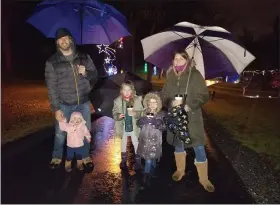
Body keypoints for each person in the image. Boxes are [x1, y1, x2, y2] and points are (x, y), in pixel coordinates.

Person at [161, 50, 215, 192]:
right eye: (175, 58)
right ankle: (180, 170)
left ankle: (204, 178)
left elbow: (204, 95)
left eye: (180, 58)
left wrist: (189, 105)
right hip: (176, 116)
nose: (177, 61)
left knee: (198, 146)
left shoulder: (195, 75)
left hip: (192, 118)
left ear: (186, 60)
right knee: (178, 143)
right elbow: (164, 95)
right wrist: (169, 102)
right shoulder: (170, 76)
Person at [45, 28, 98, 170]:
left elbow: (95, 76)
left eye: (66, 38)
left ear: (71, 39)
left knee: (85, 129)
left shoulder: (84, 57)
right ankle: (56, 157)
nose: (63, 41)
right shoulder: (52, 62)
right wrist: (56, 108)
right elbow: (52, 87)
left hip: (83, 103)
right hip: (64, 104)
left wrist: (86, 72)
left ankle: (86, 156)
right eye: (60, 39)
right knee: (60, 132)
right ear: (57, 42)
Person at [112, 80, 143, 171]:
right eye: (124, 90)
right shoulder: (117, 101)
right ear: (121, 91)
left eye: (129, 90)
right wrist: (118, 115)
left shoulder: (137, 100)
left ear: (132, 91)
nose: (126, 92)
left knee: (136, 142)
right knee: (123, 142)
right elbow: (114, 112)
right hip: (123, 126)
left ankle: (138, 161)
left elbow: (141, 112)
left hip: (134, 126)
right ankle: (123, 160)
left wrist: (135, 113)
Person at [136, 92, 165, 188]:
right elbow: (138, 123)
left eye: (155, 102)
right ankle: (148, 174)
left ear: (158, 104)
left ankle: (148, 173)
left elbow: (164, 126)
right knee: (148, 158)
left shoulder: (161, 114)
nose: (152, 105)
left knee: (151, 158)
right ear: (147, 103)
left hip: (155, 141)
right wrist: (142, 120)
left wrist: (156, 123)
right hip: (145, 140)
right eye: (150, 102)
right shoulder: (144, 112)